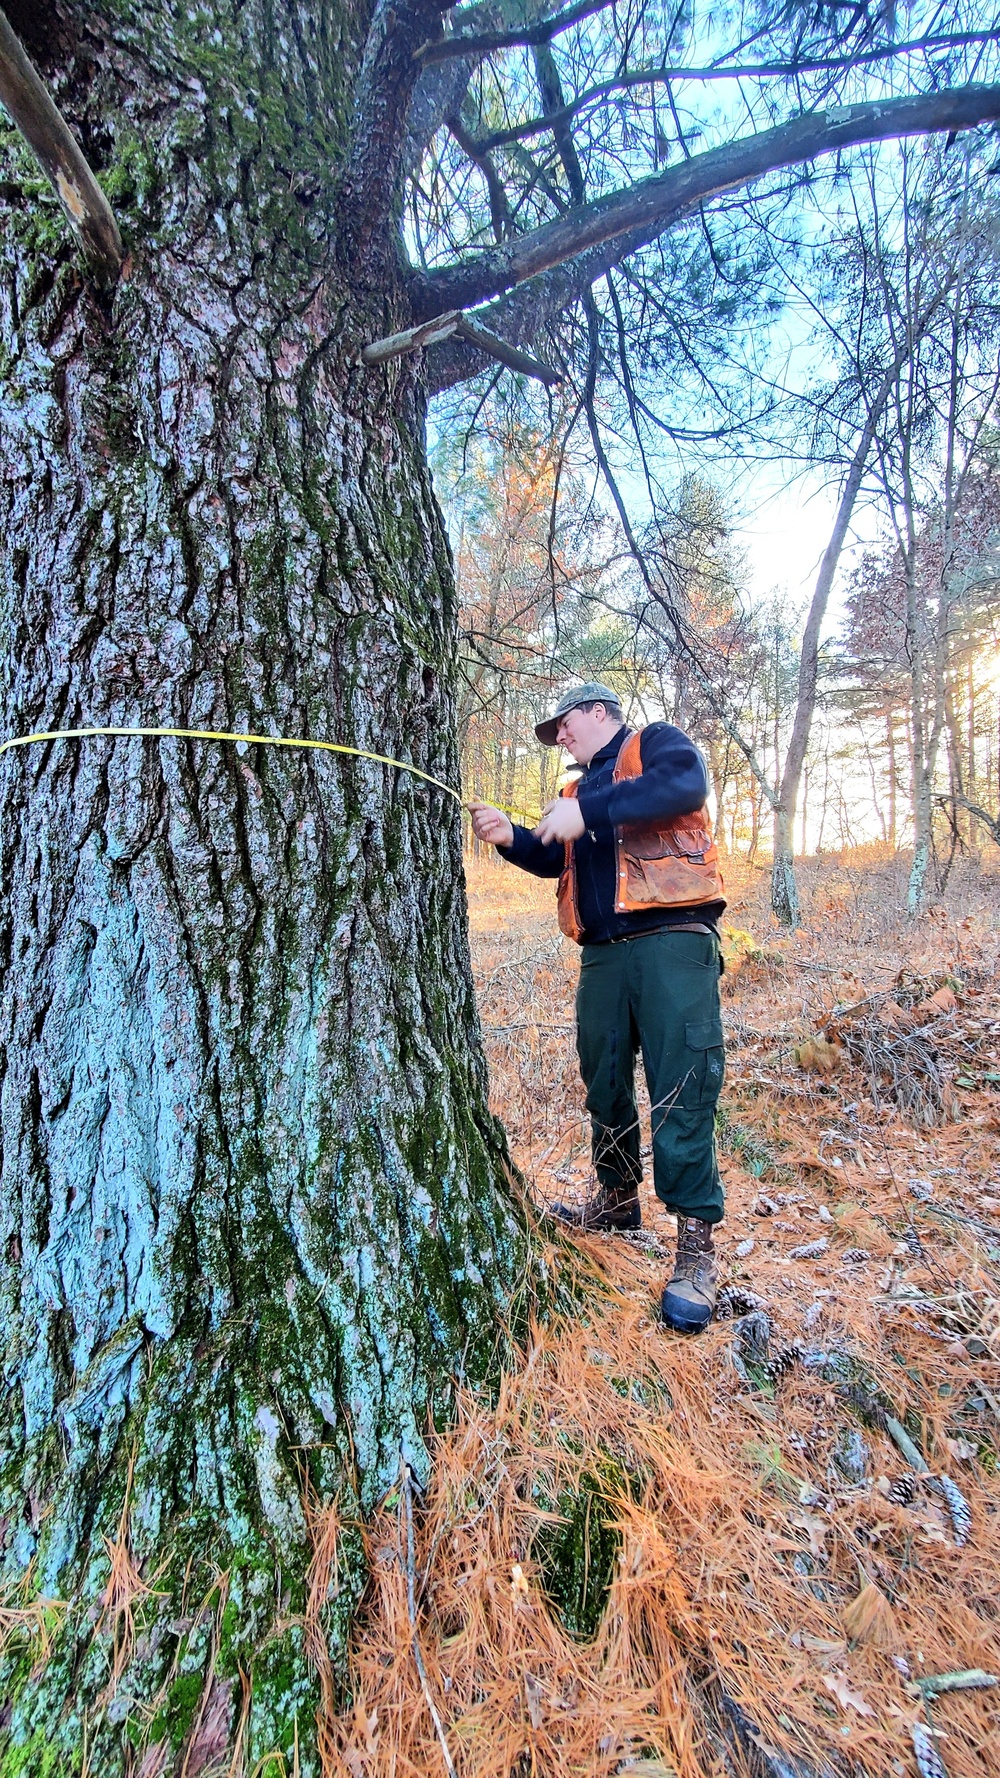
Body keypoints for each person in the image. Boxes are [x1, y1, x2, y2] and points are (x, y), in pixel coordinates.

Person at [469, 684, 727, 1333]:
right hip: (604, 954)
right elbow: (552, 855)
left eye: (563, 724)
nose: (560, 737)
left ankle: (695, 1246)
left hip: (673, 939)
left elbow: (685, 788)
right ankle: (616, 1200)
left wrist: (593, 810)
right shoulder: (573, 796)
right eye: (552, 731)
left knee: (682, 1086)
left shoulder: (655, 745)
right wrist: (512, 838)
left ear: (598, 713)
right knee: (603, 1079)